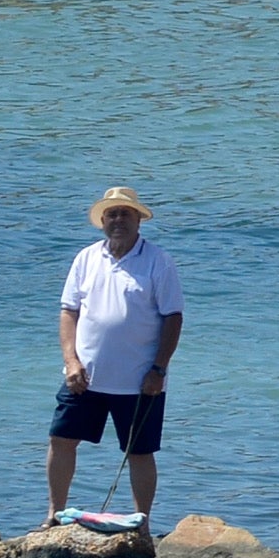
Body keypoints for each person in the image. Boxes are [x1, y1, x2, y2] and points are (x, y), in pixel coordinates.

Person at [46, 185, 181, 527]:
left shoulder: (158, 261)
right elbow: (68, 312)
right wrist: (71, 361)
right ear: (103, 221)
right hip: (85, 377)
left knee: (139, 451)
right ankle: (53, 514)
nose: (118, 220)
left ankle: (143, 522)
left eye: (125, 213)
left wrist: (159, 370)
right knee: (61, 440)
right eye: (112, 214)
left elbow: (173, 317)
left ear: (139, 220)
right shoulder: (86, 258)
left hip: (140, 381)